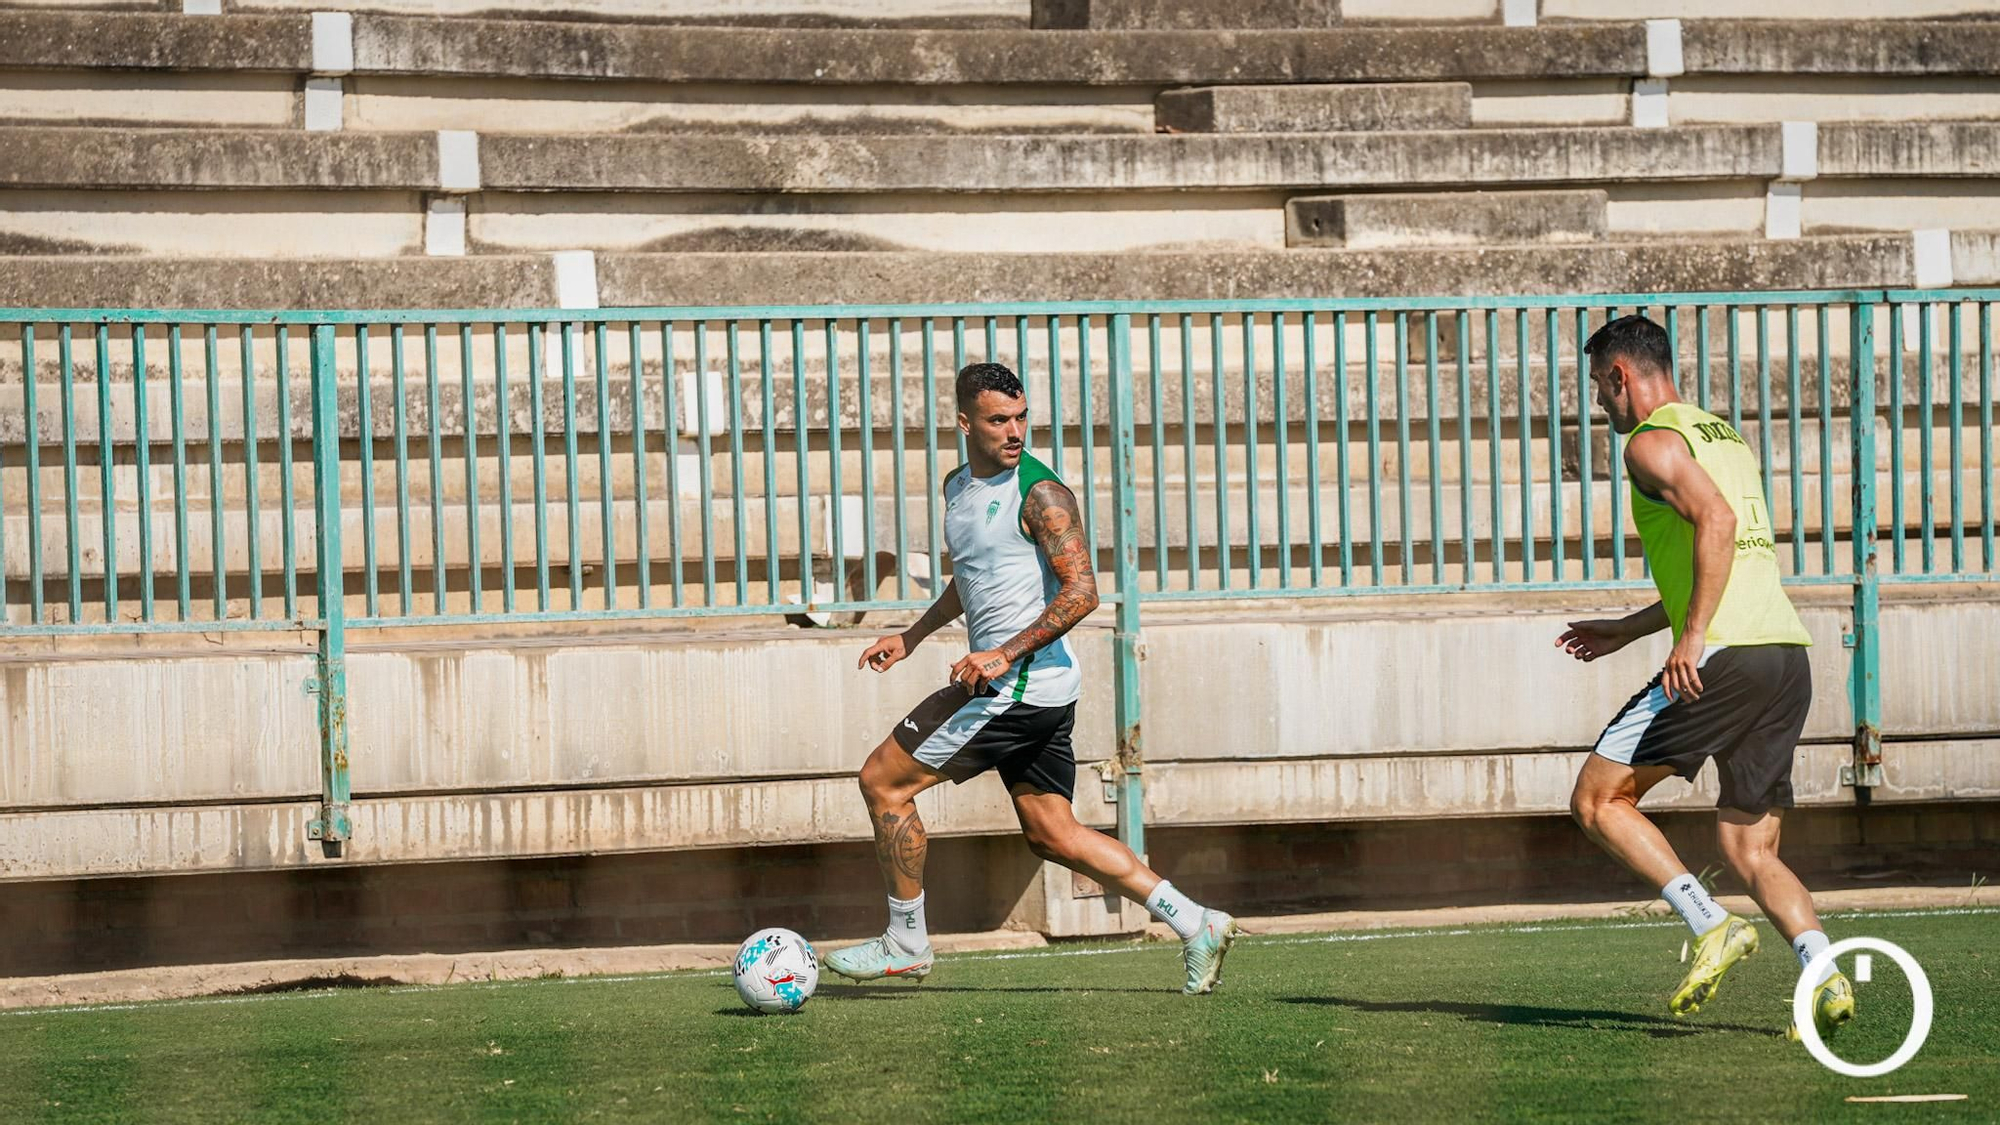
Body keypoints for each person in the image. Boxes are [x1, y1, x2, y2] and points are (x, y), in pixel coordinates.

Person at [824, 361, 1240, 995]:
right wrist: (912, 636)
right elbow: (973, 576)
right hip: (1032, 689)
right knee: (1054, 833)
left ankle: (905, 943)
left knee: (882, 781)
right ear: (965, 423)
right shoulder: (957, 485)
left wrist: (1002, 654)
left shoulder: (1042, 495)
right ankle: (1196, 922)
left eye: (1022, 418)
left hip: (1015, 689)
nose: (1015, 431)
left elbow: (1083, 592)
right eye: (999, 420)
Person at [1557, 315, 1853, 1042]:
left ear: (1621, 375)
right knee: (1750, 848)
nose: (1599, 401)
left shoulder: (1648, 442)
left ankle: (1711, 923)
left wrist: (1689, 639)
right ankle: (1825, 975)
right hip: (1782, 653)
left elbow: (1715, 524)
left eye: (1599, 385)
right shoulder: (1720, 436)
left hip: (1722, 653)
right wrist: (1629, 629)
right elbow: (1724, 556)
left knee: (1598, 800)